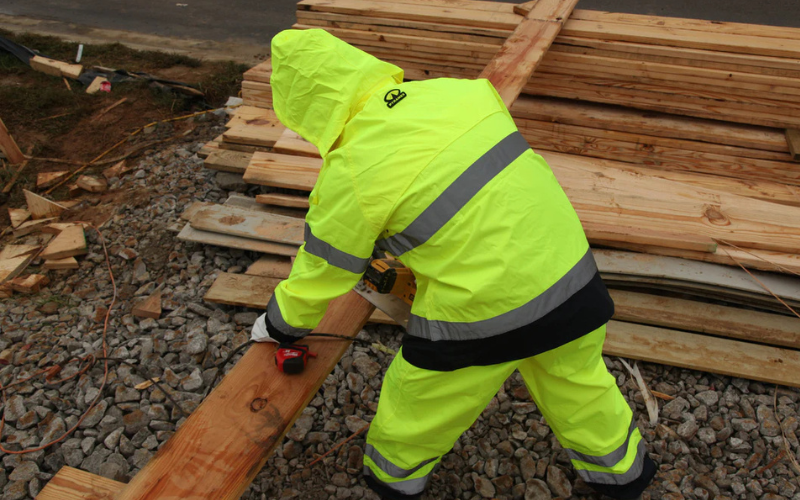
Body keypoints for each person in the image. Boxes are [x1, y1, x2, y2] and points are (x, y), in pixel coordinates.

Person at [250, 28, 655, 500]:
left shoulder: (354, 169)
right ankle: (624, 475)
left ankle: (392, 481)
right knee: (577, 382)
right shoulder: (461, 93)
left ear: (309, 108)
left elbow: (323, 270)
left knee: (418, 400)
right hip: (571, 279)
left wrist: (280, 326)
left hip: (486, 314)